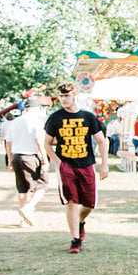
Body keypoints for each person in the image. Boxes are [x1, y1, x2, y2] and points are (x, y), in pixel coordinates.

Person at [44, 83, 109, 254]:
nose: (64, 99)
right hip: (66, 165)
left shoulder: (88, 117)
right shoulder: (55, 118)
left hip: (86, 164)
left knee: (89, 204)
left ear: (75, 96)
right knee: (72, 202)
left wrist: (104, 164)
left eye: (67, 96)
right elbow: (47, 143)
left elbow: (102, 141)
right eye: (61, 96)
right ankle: (75, 239)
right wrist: (58, 162)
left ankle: (80, 222)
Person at [3, 97, 49, 227]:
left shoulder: (15, 122)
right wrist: (44, 160)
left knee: (22, 188)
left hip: (17, 156)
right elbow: (39, 141)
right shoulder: (36, 121)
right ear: (36, 109)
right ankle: (29, 208)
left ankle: (23, 220)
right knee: (42, 184)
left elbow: (8, 141)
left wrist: (9, 159)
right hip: (30, 156)